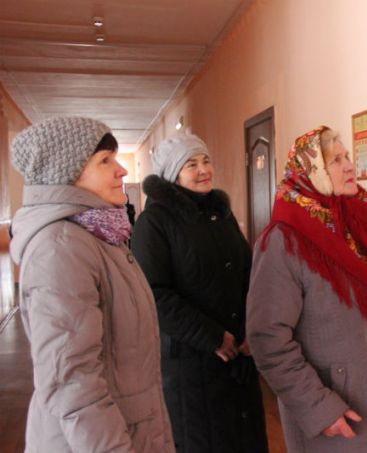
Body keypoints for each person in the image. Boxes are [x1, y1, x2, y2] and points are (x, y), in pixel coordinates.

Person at [246, 126, 367, 453]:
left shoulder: (358, 226)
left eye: (347, 157)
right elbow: (267, 339)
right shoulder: (284, 242)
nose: (349, 166)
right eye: (336, 161)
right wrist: (319, 408)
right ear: (310, 172)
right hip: (341, 422)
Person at [9, 116, 175, 453]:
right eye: (105, 160)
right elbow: (72, 380)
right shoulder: (60, 247)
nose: (121, 170)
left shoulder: (99, 236)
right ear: (68, 172)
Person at [130, 134, 268, 453]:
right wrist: (214, 337)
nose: (204, 170)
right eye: (191, 164)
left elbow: (248, 274)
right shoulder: (154, 222)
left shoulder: (221, 214)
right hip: (192, 364)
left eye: (206, 161)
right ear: (173, 174)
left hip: (239, 359)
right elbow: (154, 294)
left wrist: (250, 328)